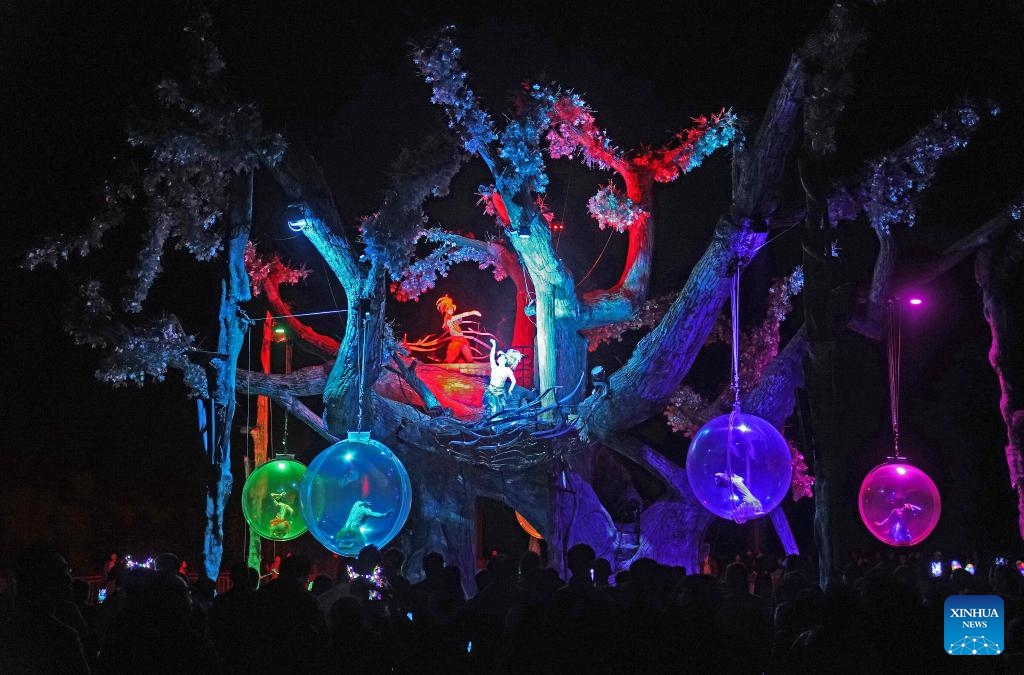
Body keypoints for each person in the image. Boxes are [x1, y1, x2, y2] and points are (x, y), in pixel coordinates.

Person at [485, 338, 524, 417]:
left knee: (497, 411)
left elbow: (513, 381)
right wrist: (494, 345)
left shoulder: (507, 370)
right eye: (499, 357)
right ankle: (490, 424)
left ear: (506, 360)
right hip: (491, 391)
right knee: (489, 410)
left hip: (499, 393)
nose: (499, 358)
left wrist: (510, 389)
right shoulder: (494, 367)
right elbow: (491, 356)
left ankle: (494, 425)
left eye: (502, 357)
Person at [437, 294, 481, 363]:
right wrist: (472, 312)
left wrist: (458, 321)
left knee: (470, 360)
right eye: (449, 309)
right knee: (449, 361)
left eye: (452, 309)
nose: (451, 310)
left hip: (462, 340)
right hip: (456, 341)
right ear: (445, 310)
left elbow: (458, 321)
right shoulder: (449, 319)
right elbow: (461, 315)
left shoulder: (450, 319)